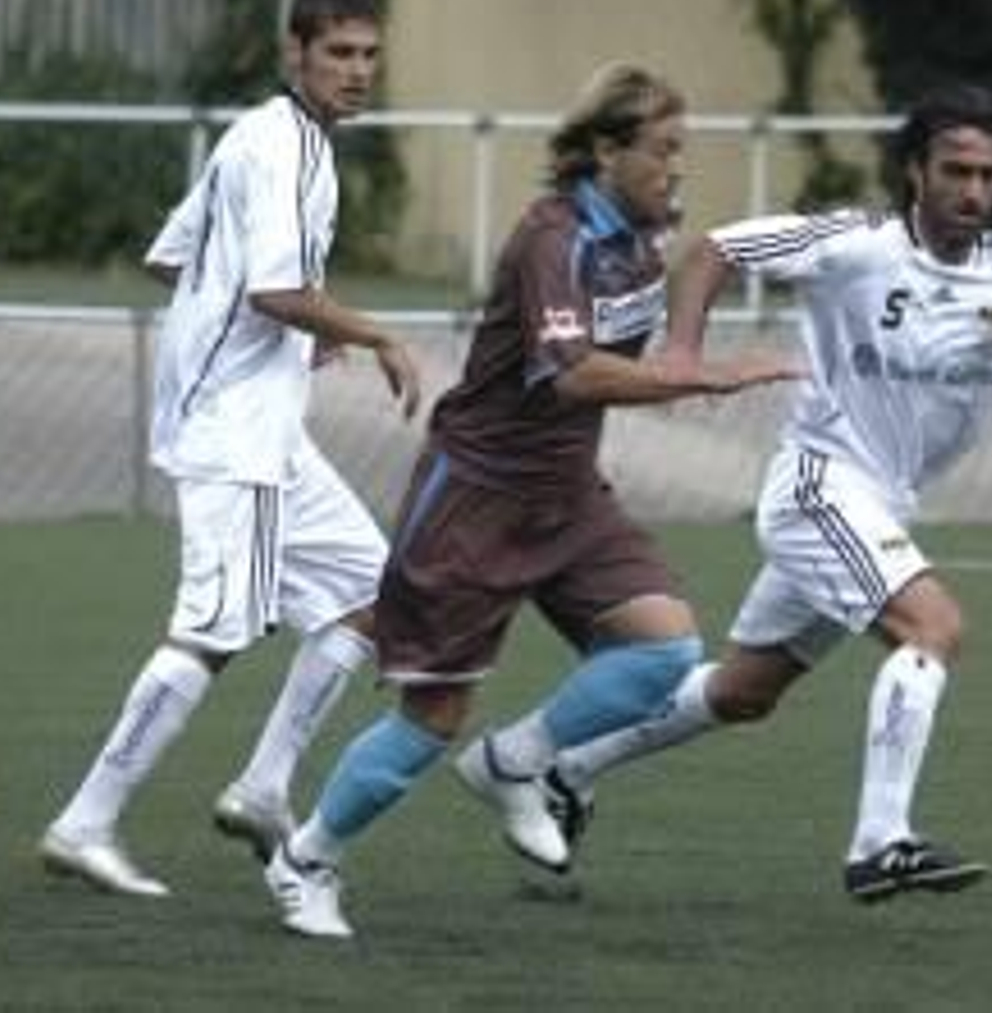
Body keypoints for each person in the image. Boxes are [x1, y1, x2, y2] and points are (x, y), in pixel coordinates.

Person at [541, 81, 992, 903]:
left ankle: (566, 768)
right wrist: (684, 356)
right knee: (934, 627)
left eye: (988, 175)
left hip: (878, 507)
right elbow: (713, 250)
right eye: (956, 171)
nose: (973, 190)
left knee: (744, 691)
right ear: (916, 171)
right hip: (817, 487)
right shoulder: (856, 244)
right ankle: (881, 843)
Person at [261, 61, 799, 938]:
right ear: (606, 152)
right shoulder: (554, 239)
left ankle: (516, 762)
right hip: (477, 497)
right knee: (434, 715)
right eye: (662, 150)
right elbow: (572, 373)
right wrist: (700, 376)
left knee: (664, 649)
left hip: (567, 493)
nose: (676, 168)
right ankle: (307, 860)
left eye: (681, 151)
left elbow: (637, 340)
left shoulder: (642, 236)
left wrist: (683, 354)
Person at [38, 0, 422, 899]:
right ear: (295, 54)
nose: (357, 71)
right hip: (233, 433)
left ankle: (263, 789)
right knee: (212, 633)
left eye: (369, 55)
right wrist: (370, 333)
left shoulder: (268, 137)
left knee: (372, 596)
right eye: (338, 53)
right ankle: (84, 824)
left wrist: (297, 331)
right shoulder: (282, 147)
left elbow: (170, 257)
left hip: (267, 430)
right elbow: (273, 289)